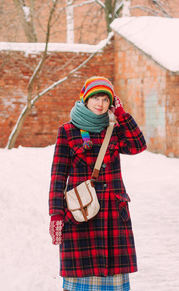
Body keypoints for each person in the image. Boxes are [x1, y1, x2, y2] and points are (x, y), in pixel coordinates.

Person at [48, 76, 147, 291]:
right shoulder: (67, 131)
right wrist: (55, 213)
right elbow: (58, 175)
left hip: (112, 212)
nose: (100, 104)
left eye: (105, 99)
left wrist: (122, 115)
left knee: (113, 279)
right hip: (80, 213)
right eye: (95, 98)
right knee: (79, 280)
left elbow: (138, 145)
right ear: (85, 99)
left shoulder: (115, 129)